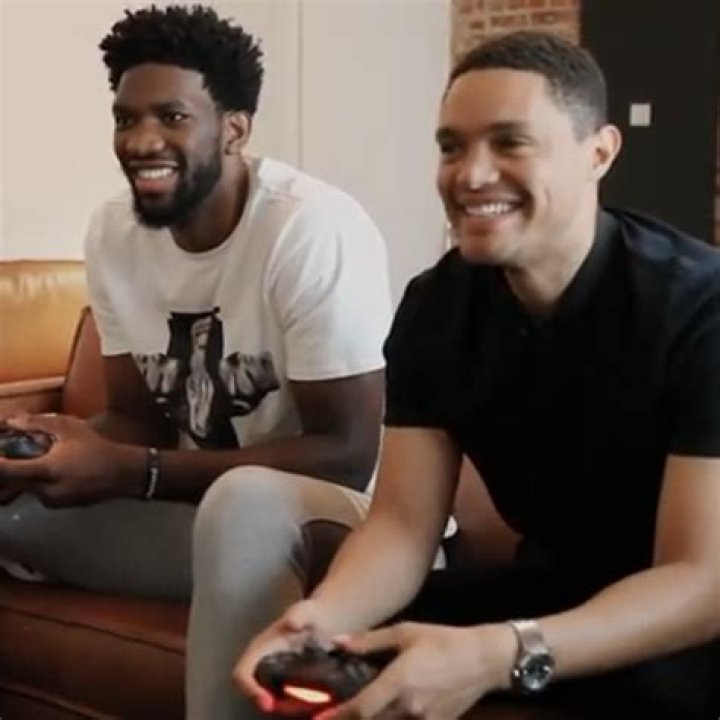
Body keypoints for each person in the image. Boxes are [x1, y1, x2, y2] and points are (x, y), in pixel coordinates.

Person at [228, 30, 720, 719]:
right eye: (452, 147)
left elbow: (700, 580)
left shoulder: (698, 306)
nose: (471, 175)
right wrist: (322, 620)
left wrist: (500, 653)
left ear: (600, 153)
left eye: (510, 143)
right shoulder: (437, 307)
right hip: (556, 589)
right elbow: (403, 525)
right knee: (351, 657)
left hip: (686, 618)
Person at [0, 0, 390, 696]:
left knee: (243, 505)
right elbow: (135, 420)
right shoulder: (113, 233)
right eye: (126, 119)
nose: (141, 140)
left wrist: (138, 472)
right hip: (195, 516)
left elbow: (350, 454)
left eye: (172, 117)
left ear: (234, 129)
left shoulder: (310, 228)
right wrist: (58, 447)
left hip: (339, 534)